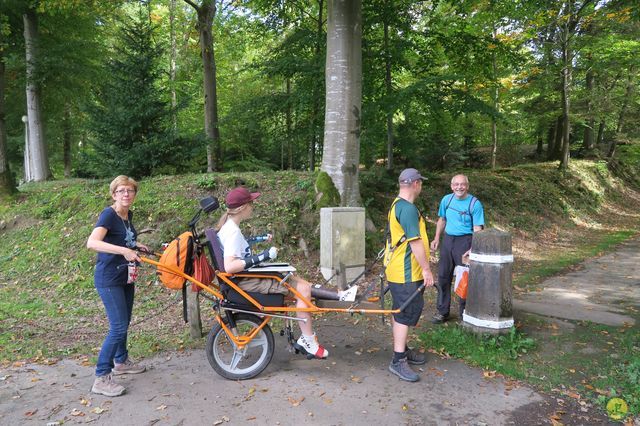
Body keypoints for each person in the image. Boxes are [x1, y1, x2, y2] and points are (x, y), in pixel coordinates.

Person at [216, 187, 357, 359]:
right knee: (302, 290)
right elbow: (230, 266)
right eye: (251, 203)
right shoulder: (232, 232)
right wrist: (264, 255)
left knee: (297, 279)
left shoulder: (228, 227)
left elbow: (240, 248)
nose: (253, 206)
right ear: (243, 207)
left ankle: (341, 295)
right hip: (245, 281)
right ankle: (308, 340)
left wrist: (259, 240)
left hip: (245, 277)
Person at [86, 176, 150, 397]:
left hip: (125, 277)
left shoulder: (126, 215)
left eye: (130, 191)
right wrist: (124, 251)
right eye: (121, 191)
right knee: (118, 327)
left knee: (124, 322)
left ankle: (121, 361)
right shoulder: (109, 214)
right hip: (109, 279)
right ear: (114, 194)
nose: (126, 194)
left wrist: (135, 245)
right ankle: (102, 377)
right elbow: (92, 243)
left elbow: (122, 240)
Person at [384, 168, 435, 382]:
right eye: (420, 183)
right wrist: (426, 270)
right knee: (405, 314)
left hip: (398, 270)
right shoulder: (407, 209)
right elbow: (414, 242)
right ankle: (398, 360)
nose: (421, 186)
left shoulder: (398, 204)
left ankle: (402, 350)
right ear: (415, 184)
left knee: (401, 312)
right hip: (406, 273)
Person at [430, 174, 485, 324]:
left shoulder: (475, 204)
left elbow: (478, 228)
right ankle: (442, 312)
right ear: (451, 186)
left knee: (464, 279)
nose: (459, 187)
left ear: (467, 186)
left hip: (465, 242)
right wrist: (436, 238)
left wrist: (474, 248)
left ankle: (465, 314)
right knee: (443, 277)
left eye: (462, 184)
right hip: (448, 240)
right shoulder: (446, 200)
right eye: (456, 184)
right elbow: (442, 219)